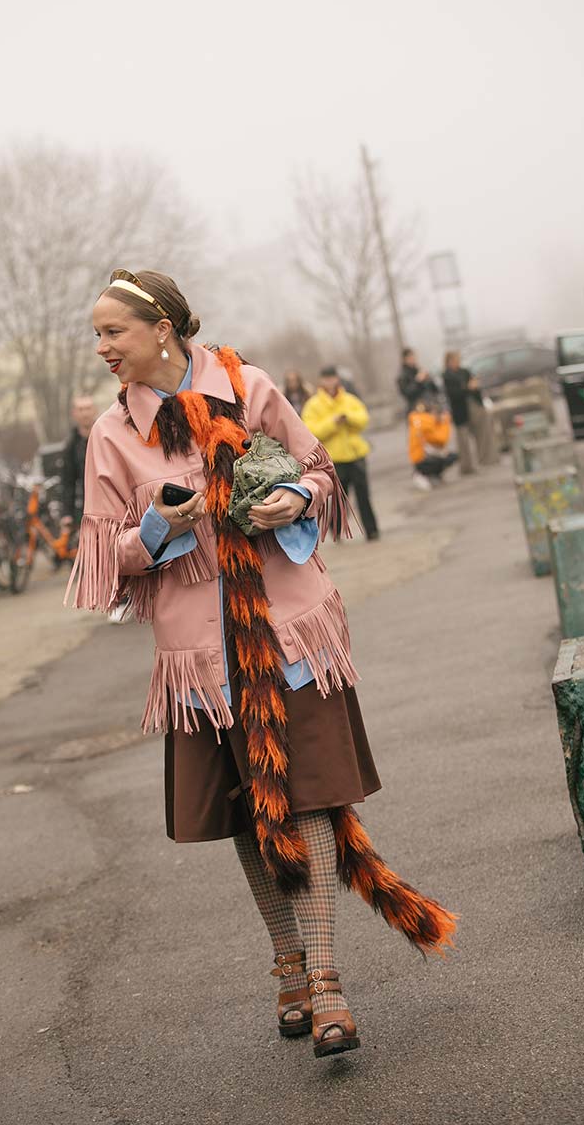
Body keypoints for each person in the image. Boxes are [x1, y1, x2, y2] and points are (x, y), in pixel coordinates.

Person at [67, 268, 456, 1059]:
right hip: (201, 659)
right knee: (250, 807)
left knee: (307, 797)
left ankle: (325, 983)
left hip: (286, 632)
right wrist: (157, 529)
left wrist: (297, 500)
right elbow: (104, 559)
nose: (103, 348)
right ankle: (288, 961)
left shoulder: (249, 387)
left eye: (113, 332)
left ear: (163, 329)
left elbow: (321, 471)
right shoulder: (111, 436)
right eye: (99, 336)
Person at [301, 366, 380, 542]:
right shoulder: (313, 405)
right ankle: (336, 530)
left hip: (355, 454)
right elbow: (311, 430)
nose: (330, 382)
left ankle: (372, 530)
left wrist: (348, 418)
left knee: (364, 496)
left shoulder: (350, 400)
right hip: (333, 459)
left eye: (332, 378)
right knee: (338, 499)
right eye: (326, 378)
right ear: (321, 380)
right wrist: (333, 423)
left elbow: (363, 419)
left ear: (337, 379)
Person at [442, 350, 487, 475]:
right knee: (463, 441)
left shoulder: (464, 371)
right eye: (455, 360)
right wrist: (468, 388)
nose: (457, 362)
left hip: (472, 408)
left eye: (458, 360)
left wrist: (473, 387)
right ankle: (466, 467)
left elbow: (475, 386)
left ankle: (483, 460)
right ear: (449, 362)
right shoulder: (447, 376)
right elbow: (453, 394)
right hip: (459, 411)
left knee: (480, 435)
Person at [60, 395, 98, 530]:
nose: (85, 413)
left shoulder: (106, 435)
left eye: (88, 408)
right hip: (86, 506)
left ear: (94, 410)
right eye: (80, 409)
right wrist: (66, 514)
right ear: (74, 414)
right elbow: (68, 481)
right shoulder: (71, 445)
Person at [407, 397, 458, 491]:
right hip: (421, 459)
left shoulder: (420, 420)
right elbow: (442, 439)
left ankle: (434, 475)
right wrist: (445, 423)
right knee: (448, 457)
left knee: (449, 456)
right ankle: (422, 474)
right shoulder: (426, 423)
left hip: (420, 457)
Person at [397, 348, 438, 415]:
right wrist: (417, 381)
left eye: (413, 356)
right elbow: (407, 393)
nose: (413, 358)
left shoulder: (419, 370)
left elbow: (434, 390)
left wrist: (429, 379)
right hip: (416, 409)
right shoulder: (402, 376)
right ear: (404, 359)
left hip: (429, 407)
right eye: (410, 357)